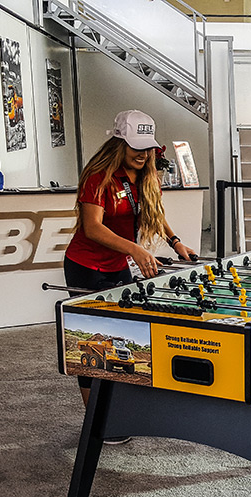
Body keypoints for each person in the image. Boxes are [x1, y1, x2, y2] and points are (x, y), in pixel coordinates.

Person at [63, 109, 195, 413]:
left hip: (117, 264)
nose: (143, 154)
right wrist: (136, 250)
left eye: (147, 147)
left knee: (121, 336)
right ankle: (96, 420)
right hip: (85, 265)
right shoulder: (98, 176)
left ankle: (118, 410)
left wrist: (176, 243)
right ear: (119, 143)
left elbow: (154, 213)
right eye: (136, 147)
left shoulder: (148, 175)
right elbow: (92, 227)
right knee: (92, 341)